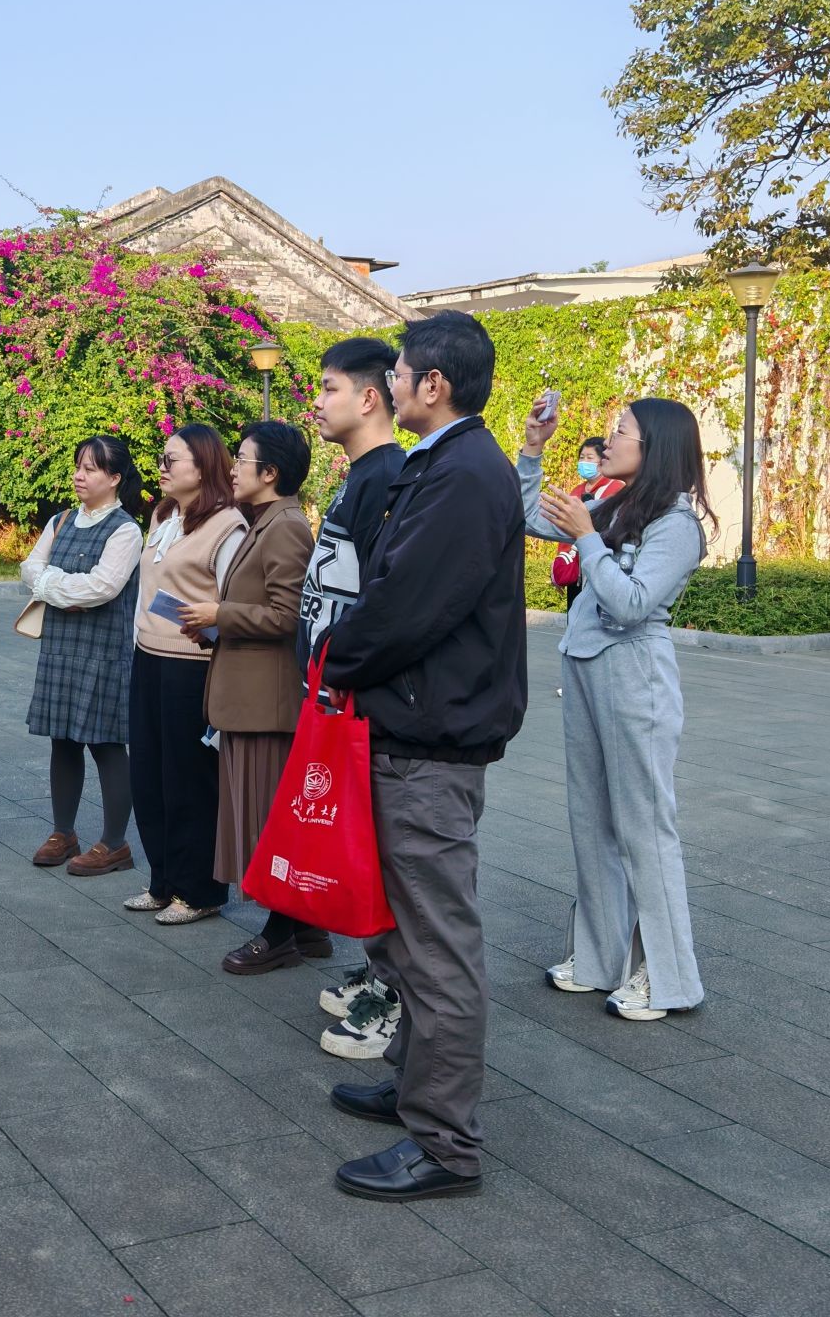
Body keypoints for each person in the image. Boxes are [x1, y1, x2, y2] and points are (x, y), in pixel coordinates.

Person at [318, 309, 528, 1203]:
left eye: (400, 373)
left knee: (437, 947)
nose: (393, 383)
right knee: (404, 934)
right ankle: (413, 1084)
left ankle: (445, 1143)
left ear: (431, 384)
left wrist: (333, 658)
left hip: (431, 743)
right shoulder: (445, 465)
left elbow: (406, 605)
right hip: (409, 729)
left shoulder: (465, 474)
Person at [521, 398, 711, 1022]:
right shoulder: (617, 506)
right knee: (592, 819)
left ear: (654, 446)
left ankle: (670, 978)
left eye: (621, 430)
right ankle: (602, 958)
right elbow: (526, 515)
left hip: (635, 676)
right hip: (586, 666)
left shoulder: (676, 524)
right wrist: (532, 447)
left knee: (644, 828)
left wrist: (585, 537)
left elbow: (631, 603)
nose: (608, 440)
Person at [295, 339, 409, 1056]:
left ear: (369, 398)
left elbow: (379, 600)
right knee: (360, 842)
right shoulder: (359, 475)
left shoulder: (389, 477)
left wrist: (342, 676)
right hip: (334, 691)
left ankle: (392, 998)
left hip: (361, 701)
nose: (318, 402)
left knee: (383, 852)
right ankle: (377, 972)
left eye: (329, 388)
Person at [174, 422, 319, 973]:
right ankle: (306, 928)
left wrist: (221, 614)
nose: (233, 469)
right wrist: (214, 627)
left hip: (267, 705)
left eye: (242, 459)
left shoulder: (286, 528)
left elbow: (288, 616)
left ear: (271, 473)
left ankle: (280, 934)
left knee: (267, 822)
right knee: (264, 817)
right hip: (249, 697)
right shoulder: (267, 522)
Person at [127, 424, 247, 925]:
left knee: (188, 779)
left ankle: (199, 890)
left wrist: (210, 622)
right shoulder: (163, 514)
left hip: (192, 665)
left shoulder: (227, 524)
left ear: (203, 466)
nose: (162, 466)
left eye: (172, 459)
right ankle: (163, 880)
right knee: (148, 773)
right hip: (148, 657)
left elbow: (235, 601)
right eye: (162, 457)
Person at [20, 436, 146, 875]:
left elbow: (103, 587)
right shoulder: (60, 520)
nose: (79, 475)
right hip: (60, 647)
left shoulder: (126, 530)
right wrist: (60, 589)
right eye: (78, 466)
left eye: (90, 469)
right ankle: (63, 832)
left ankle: (114, 843)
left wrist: (51, 585)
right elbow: (29, 568)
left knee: (107, 743)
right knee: (62, 739)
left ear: (114, 478)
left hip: (104, 651)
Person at [551, 436, 624, 608]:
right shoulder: (576, 491)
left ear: (603, 460)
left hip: (599, 568)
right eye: (582, 457)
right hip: (576, 570)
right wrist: (562, 561)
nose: (584, 462)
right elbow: (566, 530)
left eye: (590, 458)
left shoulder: (617, 489)